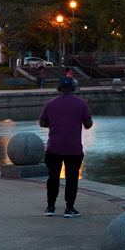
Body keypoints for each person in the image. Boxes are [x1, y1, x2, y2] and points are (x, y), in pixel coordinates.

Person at [38, 76, 92, 217]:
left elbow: (42, 123)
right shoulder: (81, 104)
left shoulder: (50, 104)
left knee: (53, 178)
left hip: (54, 147)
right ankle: (69, 208)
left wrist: (56, 123)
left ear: (59, 88)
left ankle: (50, 207)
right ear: (73, 88)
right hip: (73, 148)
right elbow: (88, 124)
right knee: (72, 179)